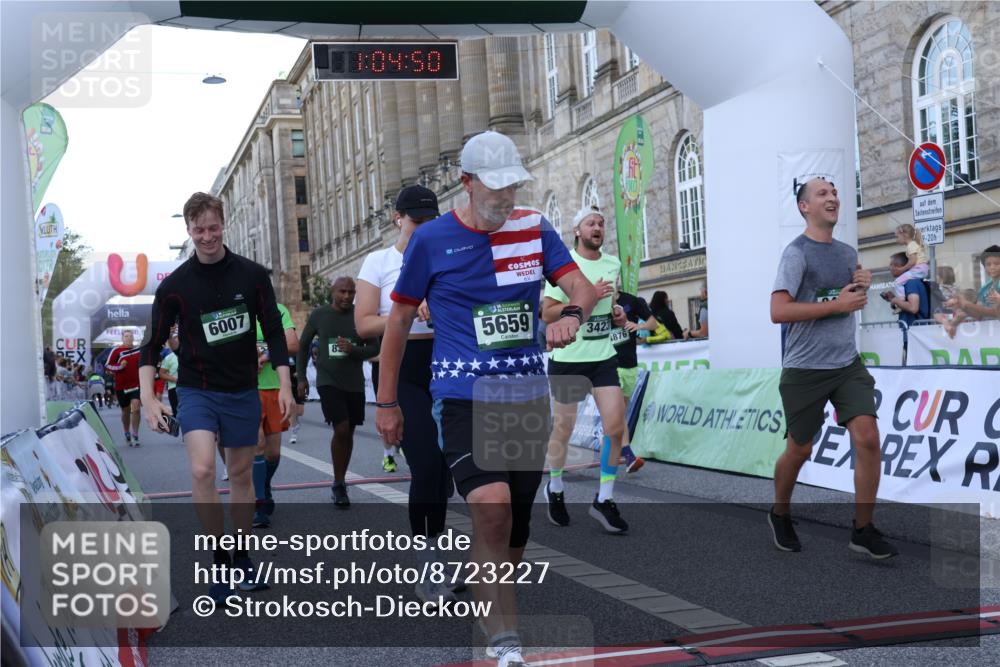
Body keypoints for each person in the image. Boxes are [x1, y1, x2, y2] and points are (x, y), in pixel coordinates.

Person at [376, 131, 596, 667]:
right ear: (466, 182)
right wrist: (387, 403)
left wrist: (571, 319)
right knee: (491, 509)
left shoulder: (533, 229)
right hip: (462, 396)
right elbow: (399, 322)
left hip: (525, 395)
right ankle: (506, 644)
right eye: (494, 189)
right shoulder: (431, 241)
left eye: (512, 187)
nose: (505, 199)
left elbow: (582, 290)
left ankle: (496, 597)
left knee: (515, 523)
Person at [139, 192, 294, 601]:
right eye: (198, 230)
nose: (206, 237)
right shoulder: (175, 287)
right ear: (187, 230)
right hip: (196, 390)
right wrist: (150, 399)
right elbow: (151, 344)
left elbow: (275, 331)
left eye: (212, 228)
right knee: (205, 469)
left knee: (242, 476)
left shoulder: (253, 276)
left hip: (242, 388)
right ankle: (219, 562)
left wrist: (285, 384)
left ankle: (241, 556)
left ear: (223, 225)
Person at [769, 177, 896, 559]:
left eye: (835, 193)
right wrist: (836, 305)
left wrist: (864, 283)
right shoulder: (796, 254)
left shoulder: (845, 253)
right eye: (822, 194)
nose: (833, 198)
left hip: (846, 364)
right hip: (805, 368)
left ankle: (862, 529)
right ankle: (780, 512)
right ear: (804, 207)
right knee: (800, 450)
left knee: (869, 437)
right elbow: (778, 311)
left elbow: (849, 298)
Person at [356, 184, 457, 603]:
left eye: (429, 222)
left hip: (448, 362)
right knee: (427, 467)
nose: (422, 229)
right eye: (415, 221)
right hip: (405, 367)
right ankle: (428, 568)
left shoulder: (447, 255)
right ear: (398, 218)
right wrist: (405, 311)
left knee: (451, 474)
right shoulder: (379, 262)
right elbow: (363, 324)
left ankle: (437, 554)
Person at [543, 206, 630, 532]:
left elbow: (610, 305)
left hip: (602, 355)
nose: (598, 227)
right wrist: (588, 296)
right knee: (562, 430)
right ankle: (554, 486)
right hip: (568, 358)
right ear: (577, 231)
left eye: (602, 223)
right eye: (590, 223)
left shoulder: (612, 263)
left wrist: (617, 314)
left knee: (615, 426)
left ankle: (604, 498)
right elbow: (548, 313)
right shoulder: (564, 264)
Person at [297, 277, 379, 508]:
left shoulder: (359, 315)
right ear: (333, 292)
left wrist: (353, 350)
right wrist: (301, 378)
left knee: (348, 431)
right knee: (341, 427)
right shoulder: (319, 315)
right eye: (342, 291)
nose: (346, 296)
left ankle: (339, 482)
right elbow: (303, 346)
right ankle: (339, 481)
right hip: (327, 380)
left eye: (351, 292)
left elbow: (374, 347)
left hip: (353, 382)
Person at [251, 299, 299, 528]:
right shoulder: (236, 311)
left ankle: (263, 485)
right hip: (246, 389)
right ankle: (258, 502)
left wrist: (267, 354)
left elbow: (292, 343)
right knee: (257, 445)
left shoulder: (278, 309)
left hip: (274, 388)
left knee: (273, 453)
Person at [613, 289, 658, 473]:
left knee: (619, 413)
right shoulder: (596, 301)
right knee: (615, 410)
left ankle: (614, 451)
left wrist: (638, 327)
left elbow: (653, 323)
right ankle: (627, 454)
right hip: (608, 365)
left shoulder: (632, 300)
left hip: (629, 365)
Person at [105, 330, 142, 446]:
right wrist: (120, 366)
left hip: (136, 385)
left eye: (131, 336)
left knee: (136, 409)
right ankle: (126, 431)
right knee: (125, 411)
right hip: (122, 387)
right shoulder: (116, 351)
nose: (129, 338)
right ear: (122, 338)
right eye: (126, 336)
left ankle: (135, 434)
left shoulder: (138, 350)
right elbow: (108, 366)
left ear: (133, 338)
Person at [884, 252, 929, 328]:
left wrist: (895, 300)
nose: (890, 268)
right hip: (912, 331)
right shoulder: (909, 282)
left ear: (900, 266)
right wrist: (894, 299)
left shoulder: (911, 283)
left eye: (892, 265)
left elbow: (913, 308)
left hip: (914, 331)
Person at [890, 223, 929, 299]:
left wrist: (901, 269)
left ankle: (902, 300)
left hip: (918, 269)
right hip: (922, 269)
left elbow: (912, 262)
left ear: (905, 235)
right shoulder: (914, 244)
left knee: (898, 282)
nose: (896, 240)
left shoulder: (911, 246)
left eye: (897, 237)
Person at [159, 344, 180, 419]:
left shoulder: (190, 354)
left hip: (190, 388)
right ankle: (175, 429)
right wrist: (175, 379)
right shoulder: (169, 357)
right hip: (174, 388)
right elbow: (161, 373)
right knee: (176, 414)